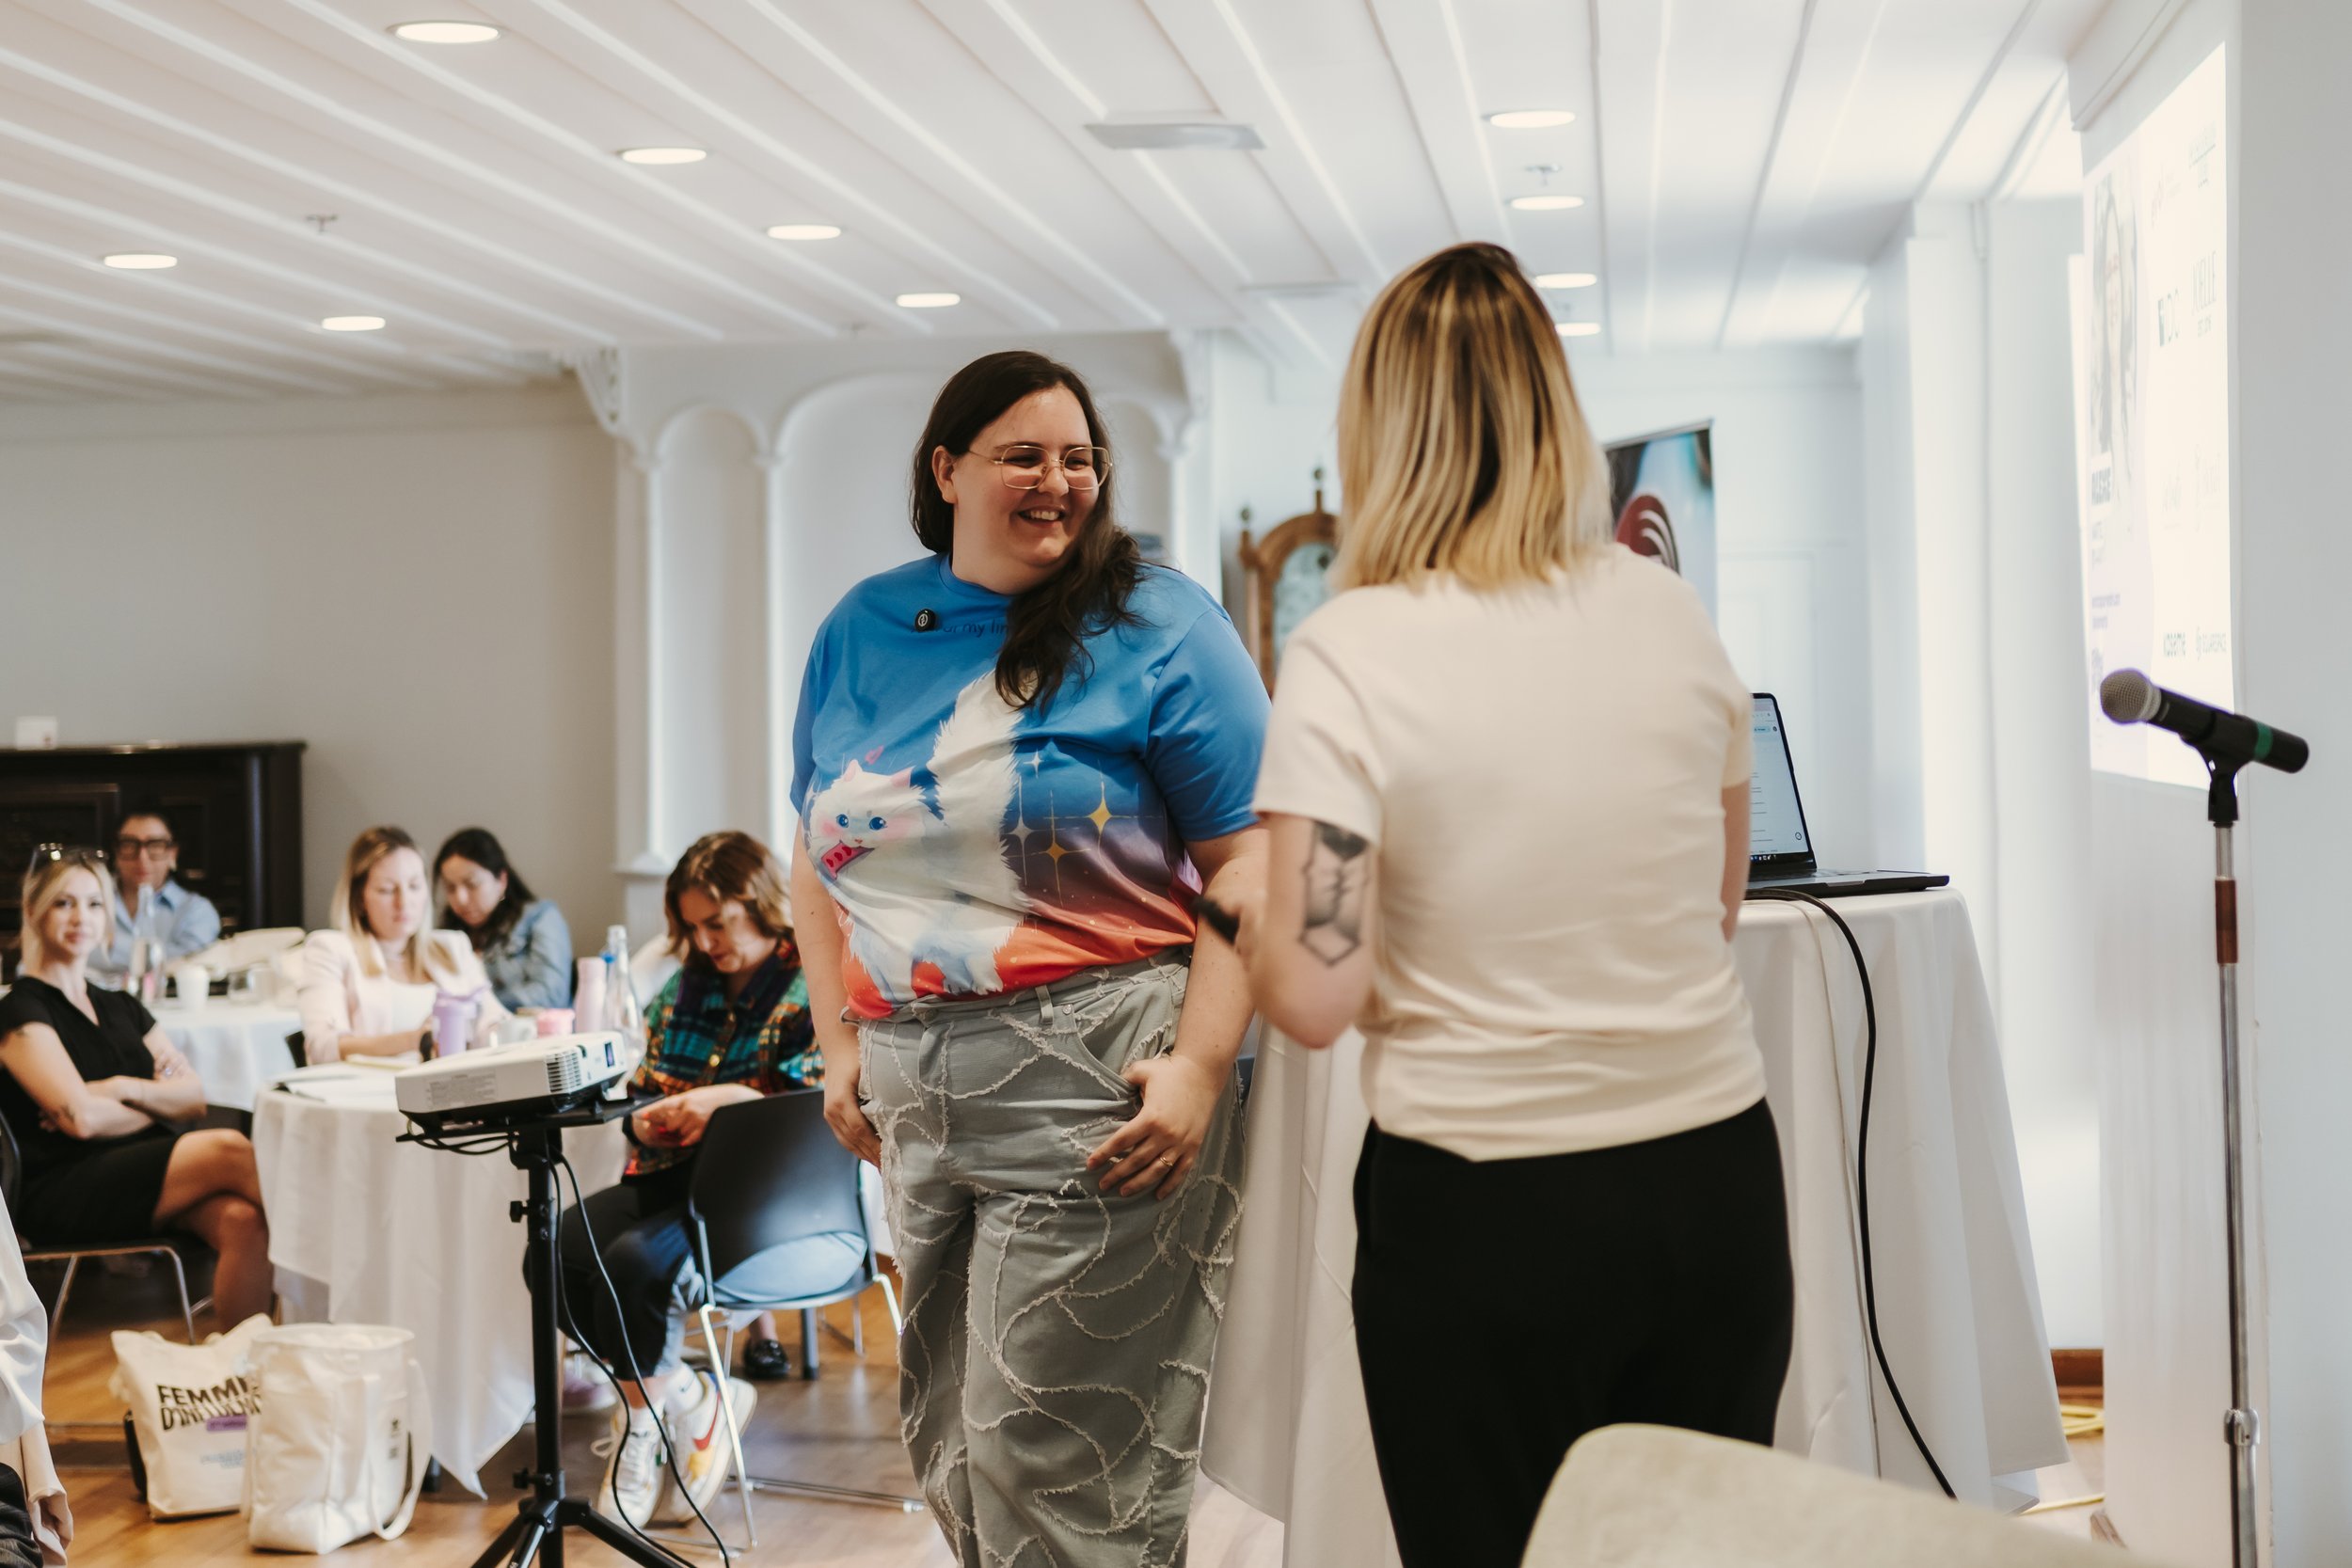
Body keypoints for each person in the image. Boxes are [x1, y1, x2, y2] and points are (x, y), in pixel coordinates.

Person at [1228, 242, 1794, 1568]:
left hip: (1488, 1222)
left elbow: (1314, 994)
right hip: (1711, 1185)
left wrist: (1233, 897)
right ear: (1555, 409)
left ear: (1380, 429)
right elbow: (1711, 908)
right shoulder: (1672, 618)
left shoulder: (1351, 651)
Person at [793, 350, 1268, 1566]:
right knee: (951, 1434)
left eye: (1078, 456)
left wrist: (1202, 1067)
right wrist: (837, 1039)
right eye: (1024, 454)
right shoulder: (861, 628)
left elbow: (1256, 863)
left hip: (1101, 1075)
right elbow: (815, 840)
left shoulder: (1158, 621)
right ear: (946, 469)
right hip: (916, 1092)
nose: (1059, 479)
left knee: (1057, 1447)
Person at [545, 831, 820, 1530]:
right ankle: (689, 1397)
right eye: (692, 927)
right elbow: (640, 1086)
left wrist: (722, 1102)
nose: (705, 942)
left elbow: (813, 1103)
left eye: (718, 922)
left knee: (636, 1264)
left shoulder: (813, 978)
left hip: (768, 1195)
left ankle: (641, 1433)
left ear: (760, 904)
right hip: (675, 1175)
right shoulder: (687, 985)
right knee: (553, 1249)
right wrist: (648, 1122)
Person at [0, 851, 272, 1325]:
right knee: (230, 1146)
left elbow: (193, 1100)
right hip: (66, 1185)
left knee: (243, 1222)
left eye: (94, 904)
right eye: (64, 903)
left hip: (151, 1171)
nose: (80, 918)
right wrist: (155, 1100)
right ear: (34, 912)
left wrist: (120, 1088)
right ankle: (342, 1265)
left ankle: (240, 1374)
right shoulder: (19, 1009)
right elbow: (81, 1121)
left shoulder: (123, 1005)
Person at [297, 827, 503, 1063]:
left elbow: (493, 1023)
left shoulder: (452, 947)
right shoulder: (330, 950)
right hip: (369, 1093)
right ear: (359, 898)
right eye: (387, 890)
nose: (404, 902)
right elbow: (323, 1048)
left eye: (415, 886)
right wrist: (415, 1040)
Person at [433, 828, 573, 1011]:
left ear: (501, 880)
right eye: (450, 888)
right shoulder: (448, 937)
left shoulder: (540, 917)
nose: (460, 899)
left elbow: (551, 995)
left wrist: (480, 1005)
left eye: (472, 884)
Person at [87, 802, 220, 990]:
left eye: (155, 845)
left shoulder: (197, 911)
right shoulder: (87, 898)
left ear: (172, 853)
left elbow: (186, 965)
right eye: (129, 845)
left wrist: (108, 947)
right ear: (116, 852)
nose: (142, 858)